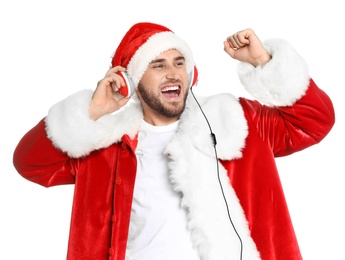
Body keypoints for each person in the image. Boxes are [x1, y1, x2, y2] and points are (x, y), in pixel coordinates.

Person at [13, 22, 335, 260]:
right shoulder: (106, 145)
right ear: (134, 82)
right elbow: (29, 163)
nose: (173, 73)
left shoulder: (234, 121)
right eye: (158, 65)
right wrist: (92, 113)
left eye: (179, 63)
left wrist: (264, 62)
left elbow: (314, 121)